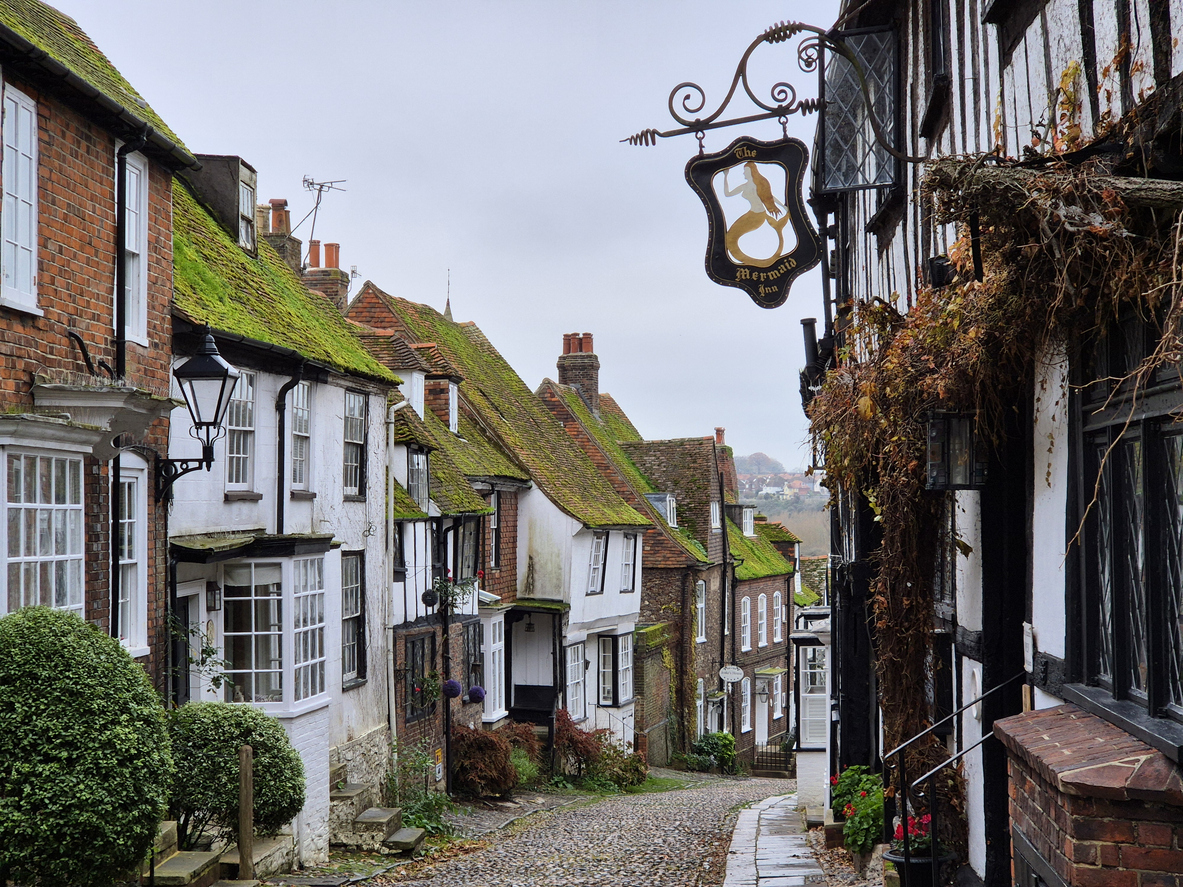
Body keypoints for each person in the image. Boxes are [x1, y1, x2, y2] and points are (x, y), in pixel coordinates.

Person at [722, 161, 791, 267]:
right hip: (752, 214)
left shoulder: (760, 184)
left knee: (731, 237)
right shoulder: (744, 186)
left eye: (745, 171)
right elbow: (727, 194)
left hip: (758, 215)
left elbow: (769, 197)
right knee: (730, 238)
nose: (744, 173)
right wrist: (726, 176)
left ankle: (757, 262)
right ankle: (753, 262)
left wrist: (783, 206)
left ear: (751, 171)